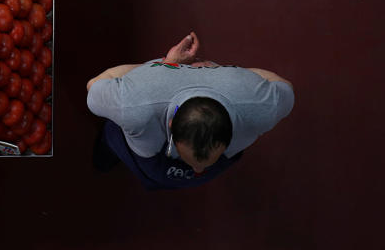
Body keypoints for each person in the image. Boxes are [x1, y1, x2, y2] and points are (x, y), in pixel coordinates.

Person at [86, 32, 294, 190]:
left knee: (115, 129)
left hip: (147, 158)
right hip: (163, 159)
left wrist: (165, 67)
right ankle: (102, 163)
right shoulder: (259, 105)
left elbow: (94, 85)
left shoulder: (134, 102)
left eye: (202, 166)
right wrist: (232, 78)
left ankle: (103, 163)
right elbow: (284, 87)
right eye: (198, 165)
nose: (198, 171)